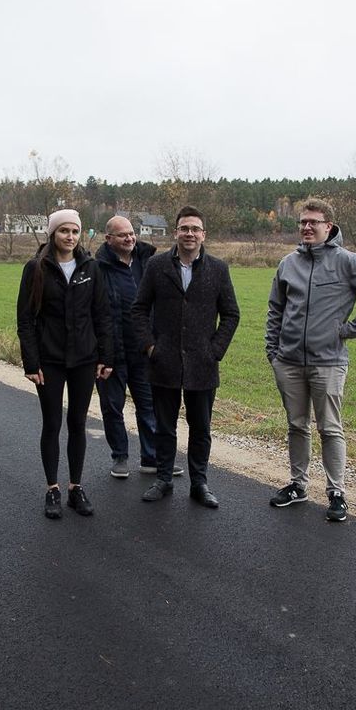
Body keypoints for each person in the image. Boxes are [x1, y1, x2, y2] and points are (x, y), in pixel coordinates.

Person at [264, 198, 356, 521]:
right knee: (296, 425)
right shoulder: (288, 264)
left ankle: (337, 492)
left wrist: (350, 329)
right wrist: (273, 352)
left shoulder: (347, 262)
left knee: (330, 428)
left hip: (329, 362)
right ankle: (298, 485)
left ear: (329, 227)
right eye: (303, 222)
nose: (307, 227)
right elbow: (275, 310)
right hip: (289, 361)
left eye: (314, 222)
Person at [132, 206, 239, 508]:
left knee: (201, 427)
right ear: (175, 232)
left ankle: (199, 483)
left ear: (203, 234)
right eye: (184, 228)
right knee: (164, 426)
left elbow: (231, 314)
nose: (189, 234)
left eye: (195, 229)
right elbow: (139, 309)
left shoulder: (218, 269)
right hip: (163, 362)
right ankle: (163, 479)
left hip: (202, 364)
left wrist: (214, 350)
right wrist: (151, 347)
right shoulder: (156, 265)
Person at [17, 209, 114, 520]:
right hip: (50, 360)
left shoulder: (91, 268)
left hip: (85, 359)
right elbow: (26, 320)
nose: (70, 237)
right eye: (64, 231)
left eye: (74, 231)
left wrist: (105, 356)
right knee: (52, 424)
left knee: (77, 424)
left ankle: (75, 487)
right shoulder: (36, 268)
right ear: (52, 234)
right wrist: (31, 362)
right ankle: (52, 489)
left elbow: (102, 314)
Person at [94, 215, 182, 479]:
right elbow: (95, 313)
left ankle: (151, 457)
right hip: (111, 354)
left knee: (149, 407)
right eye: (123, 235)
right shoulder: (97, 268)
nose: (130, 238)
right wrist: (101, 354)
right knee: (112, 407)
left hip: (144, 351)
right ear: (109, 239)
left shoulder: (149, 262)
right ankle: (120, 456)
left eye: (132, 233)